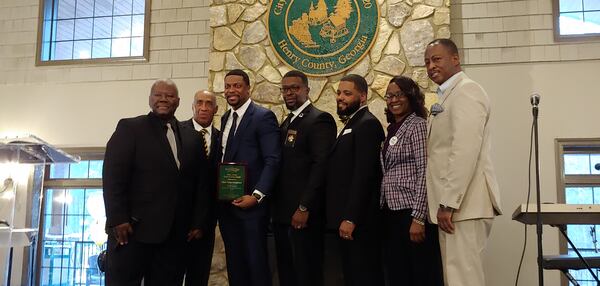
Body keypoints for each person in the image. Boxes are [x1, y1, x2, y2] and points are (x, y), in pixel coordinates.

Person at [103, 79, 210, 285]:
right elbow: (113, 175)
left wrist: (197, 222)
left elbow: (200, 184)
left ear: (178, 101)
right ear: (150, 99)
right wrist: (117, 218)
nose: (163, 99)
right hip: (132, 232)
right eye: (158, 95)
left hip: (175, 236)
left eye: (169, 96)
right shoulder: (130, 128)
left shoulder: (193, 138)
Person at [424, 38, 502, 286]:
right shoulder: (447, 95)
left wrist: (448, 202)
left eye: (437, 59)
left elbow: (464, 149)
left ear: (455, 59)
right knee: (455, 278)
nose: (431, 66)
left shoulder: (467, 90)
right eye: (427, 62)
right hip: (454, 207)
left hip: (463, 206)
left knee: (463, 279)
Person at [272, 70, 337, 286]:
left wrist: (304, 207)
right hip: (282, 215)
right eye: (285, 89)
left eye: (295, 88)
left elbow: (321, 166)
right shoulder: (287, 122)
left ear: (307, 90)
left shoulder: (319, 119)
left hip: (303, 216)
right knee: (287, 273)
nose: (289, 93)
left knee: (306, 273)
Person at [218, 69, 281, 286]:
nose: (231, 90)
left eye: (237, 85)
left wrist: (257, 195)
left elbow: (272, 160)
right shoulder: (226, 118)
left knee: (256, 265)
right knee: (235, 266)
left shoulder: (263, 117)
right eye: (227, 86)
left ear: (247, 88)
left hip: (252, 207)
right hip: (228, 206)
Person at [380, 76, 443, 286]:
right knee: (399, 273)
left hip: (411, 213)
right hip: (392, 212)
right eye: (389, 95)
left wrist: (418, 218)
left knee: (420, 274)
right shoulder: (392, 129)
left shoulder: (417, 125)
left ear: (411, 96)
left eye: (399, 94)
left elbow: (424, 171)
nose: (393, 100)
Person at [325, 74, 385, 286]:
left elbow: (364, 174)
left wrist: (350, 218)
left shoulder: (367, 124)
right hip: (347, 221)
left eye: (347, 93)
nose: (340, 97)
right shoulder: (353, 123)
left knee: (363, 275)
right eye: (339, 93)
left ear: (363, 96)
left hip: (360, 222)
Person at [181, 90, 222, 286]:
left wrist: (202, 222)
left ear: (216, 109)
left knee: (199, 277)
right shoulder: (177, 132)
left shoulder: (223, 138)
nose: (203, 108)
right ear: (193, 106)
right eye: (199, 103)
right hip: (178, 221)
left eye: (208, 104)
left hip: (206, 222)